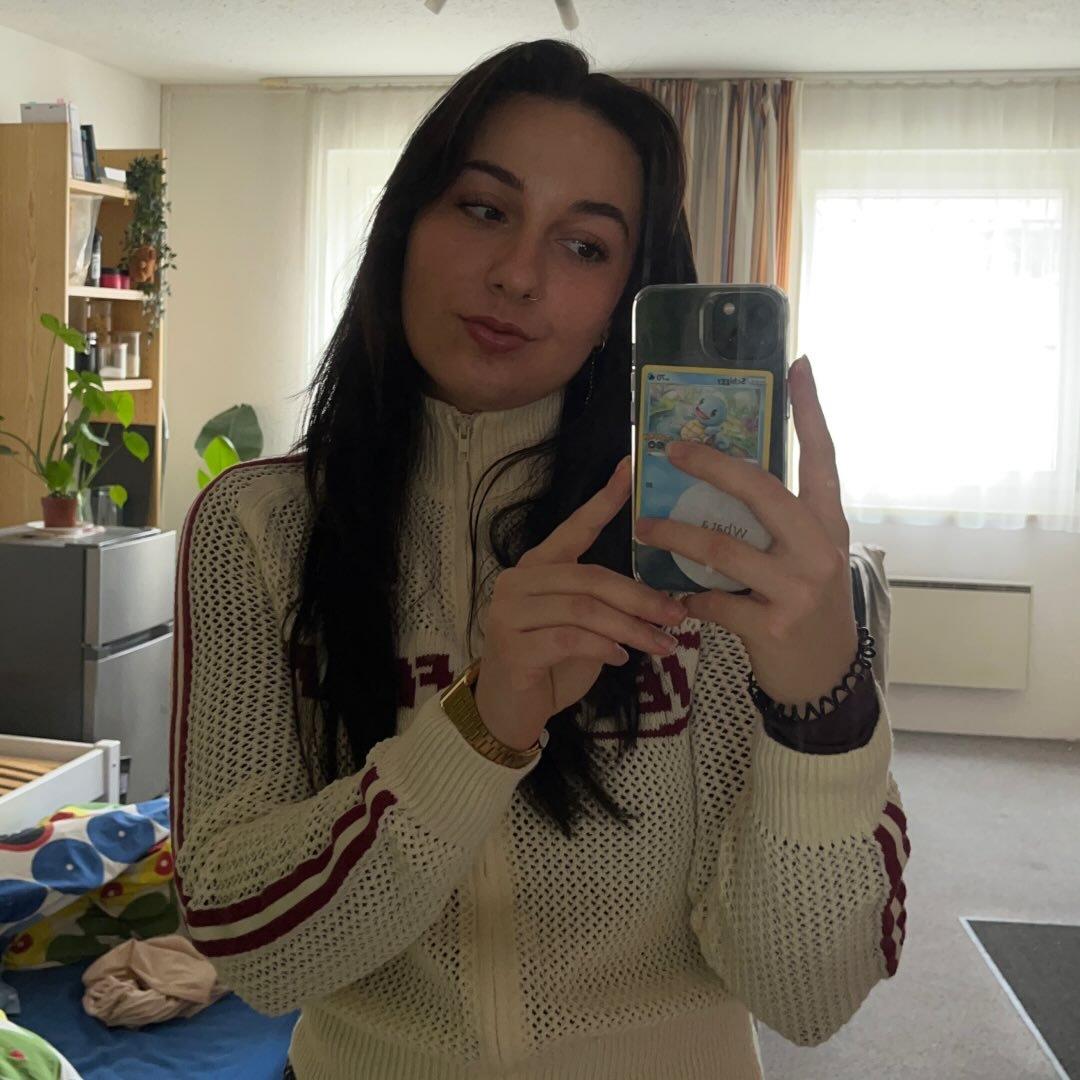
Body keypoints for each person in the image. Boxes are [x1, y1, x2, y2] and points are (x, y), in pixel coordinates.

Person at [170, 39, 910, 1080]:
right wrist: (483, 725)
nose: (517, 275)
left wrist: (821, 714)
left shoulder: (726, 561)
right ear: (404, 227)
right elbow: (250, 948)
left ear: (622, 304)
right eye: (483, 209)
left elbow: (807, 998)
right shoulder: (259, 526)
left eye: (585, 246)